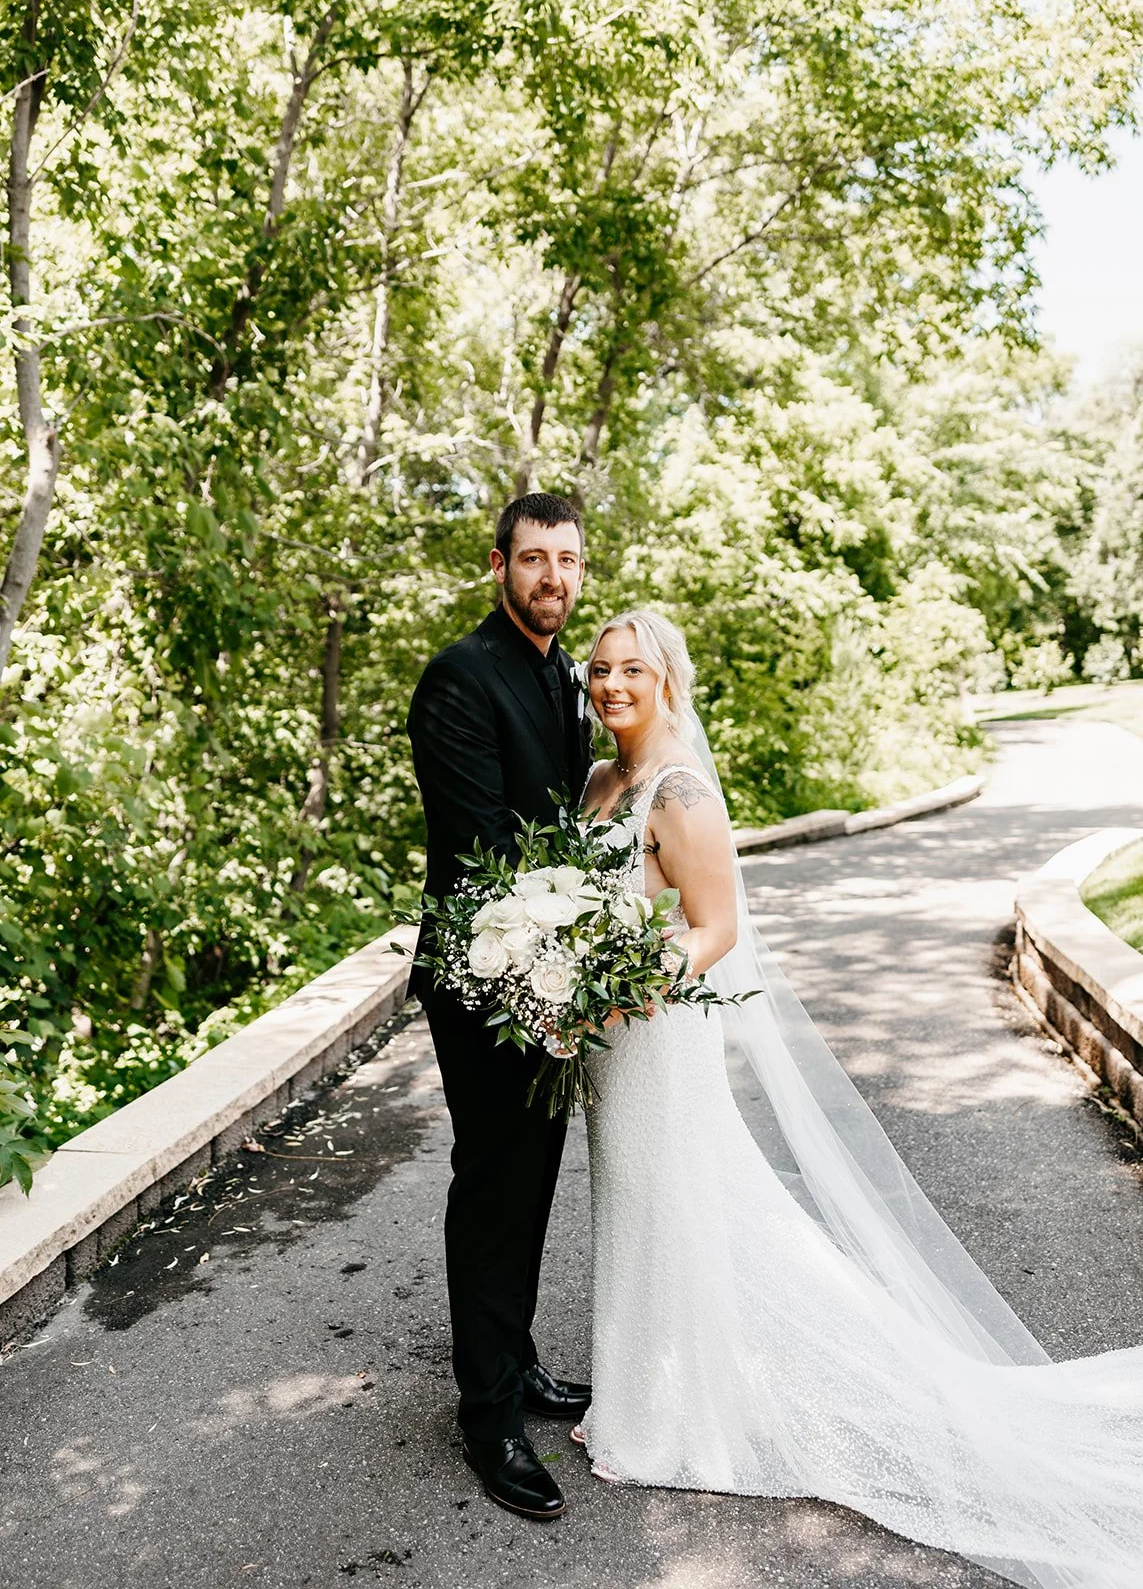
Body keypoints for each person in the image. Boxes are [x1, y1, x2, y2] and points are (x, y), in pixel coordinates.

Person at [575, 608, 1143, 1589]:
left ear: (668, 676)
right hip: (603, 1047)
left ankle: (682, 1417)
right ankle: (641, 1391)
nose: (612, 684)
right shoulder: (596, 782)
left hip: (655, 1033)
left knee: (680, 1202)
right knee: (632, 1203)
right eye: (598, 670)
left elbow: (711, 929)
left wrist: (615, 992)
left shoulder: (679, 790)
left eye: (632, 668)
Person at [406, 492, 594, 1521]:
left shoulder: (566, 673)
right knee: (492, 1184)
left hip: (553, 980)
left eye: (567, 561)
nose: (552, 578)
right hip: (484, 980)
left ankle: (514, 1361)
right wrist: (550, 965)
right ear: (499, 566)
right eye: (534, 560)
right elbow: (482, 851)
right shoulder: (460, 678)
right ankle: (486, 1416)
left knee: (533, 1180)